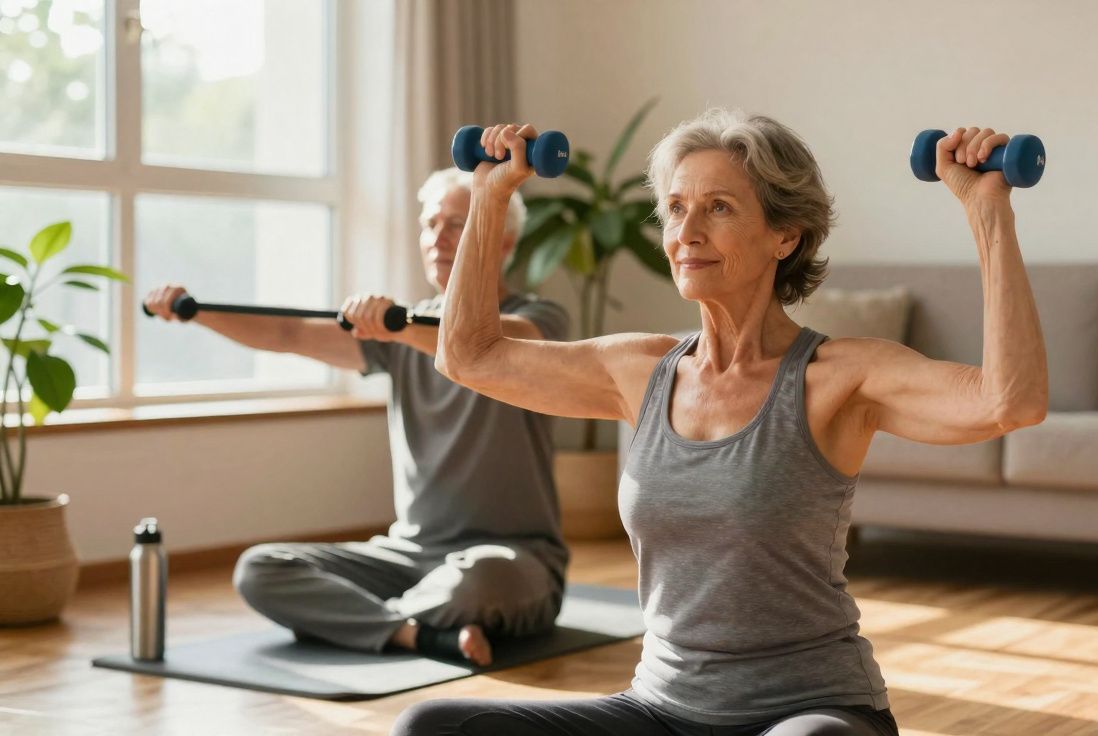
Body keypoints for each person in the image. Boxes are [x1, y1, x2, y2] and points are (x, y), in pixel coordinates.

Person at [392, 110, 1049, 735]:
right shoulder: (638, 370)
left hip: (811, 712)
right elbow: (468, 354)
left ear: (784, 235)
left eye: (719, 208)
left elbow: (1009, 400)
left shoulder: (838, 379)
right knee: (431, 726)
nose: (687, 232)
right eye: (677, 208)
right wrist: (488, 193)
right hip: (660, 711)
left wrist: (988, 209)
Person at [142, 168, 571, 667]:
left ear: (501, 241)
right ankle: (415, 633)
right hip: (407, 556)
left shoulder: (541, 318)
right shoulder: (402, 335)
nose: (439, 238)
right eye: (430, 224)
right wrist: (196, 312)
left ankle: (369, 623)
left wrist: (398, 325)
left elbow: (485, 341)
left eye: (457, 224)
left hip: (513, 559)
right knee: (260, 569)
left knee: (474, 583)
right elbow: (290, 335)